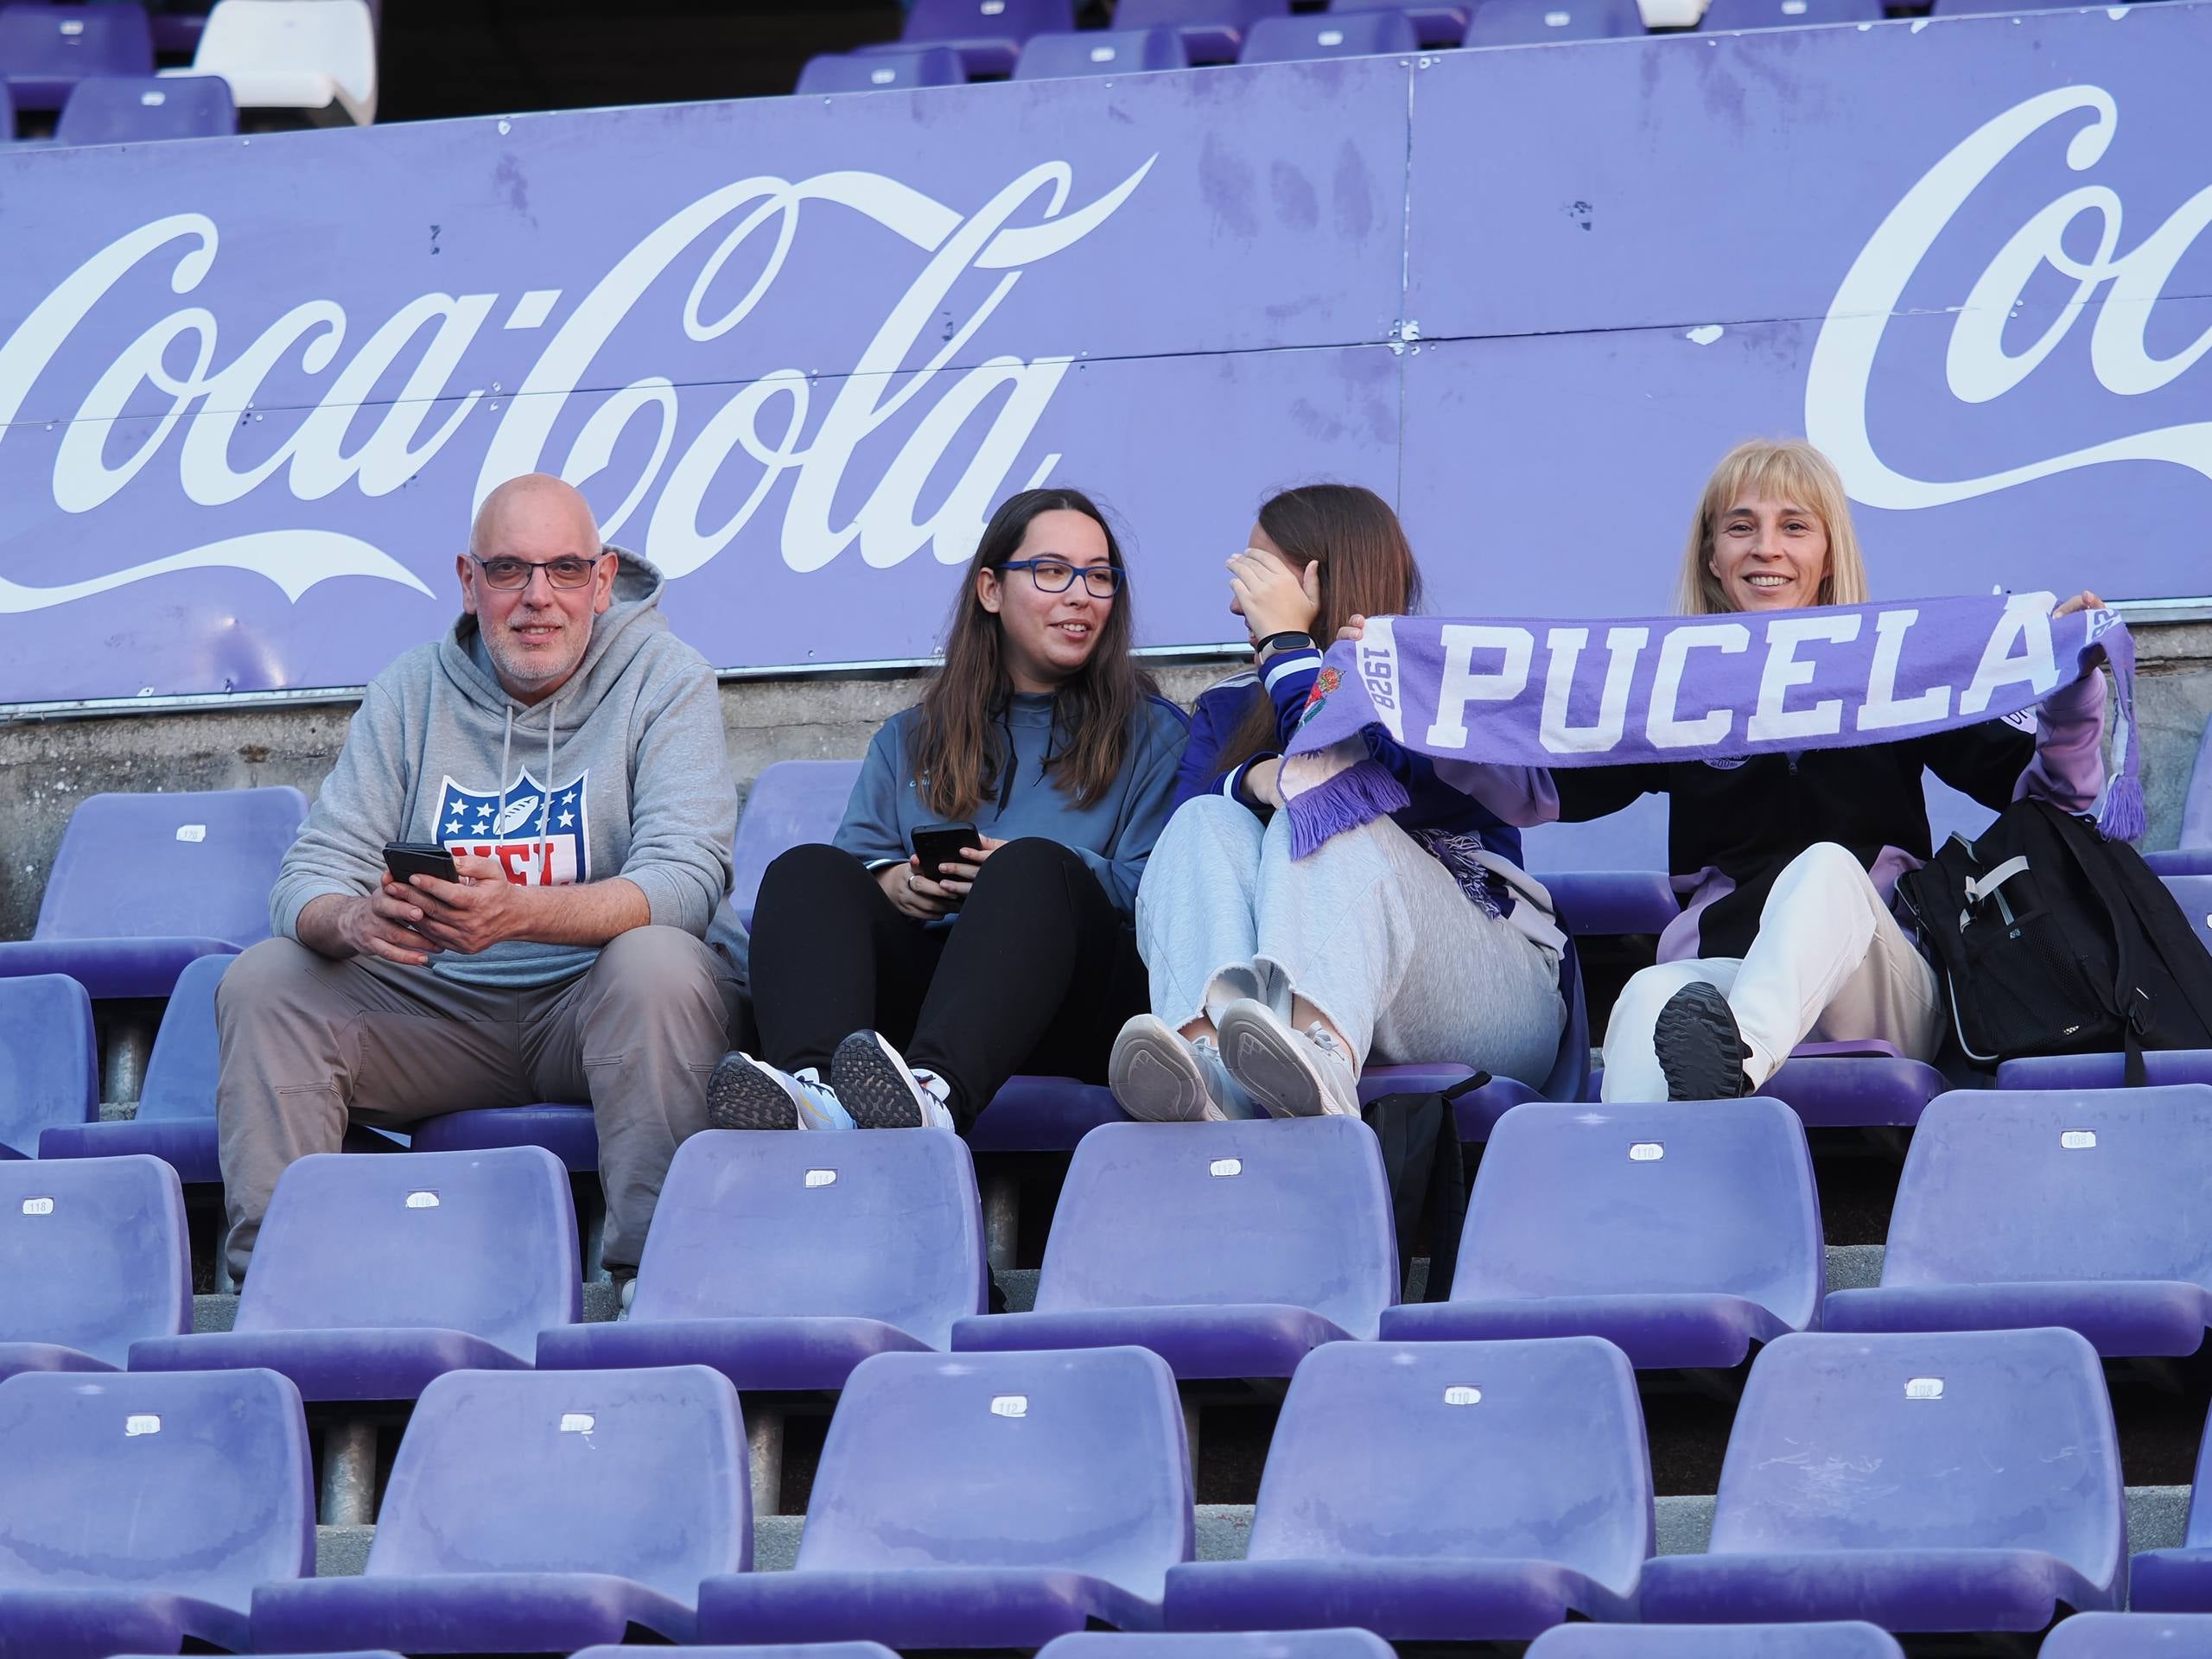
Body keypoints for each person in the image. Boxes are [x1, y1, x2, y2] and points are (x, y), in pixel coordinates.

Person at [215, 474, 742, 1284]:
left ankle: (661, 1282)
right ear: (469, 582)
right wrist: (354, 921)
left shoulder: (664, 677)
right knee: (267, 979)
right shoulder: (410, 689)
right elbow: (306, 879)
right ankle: (281, 1287)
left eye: (565, 569)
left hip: (594, 1006)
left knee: (660, 963)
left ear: (602, 582)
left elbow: (686, 880)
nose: (538, 597)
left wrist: (523, 912)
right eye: (509, 571)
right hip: (440, 1011)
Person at [1554, 438, 2107, 1102]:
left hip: (1880, 985)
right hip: (1726, 972)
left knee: (1824, 867)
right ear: (1711, 557)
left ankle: (1734, 1066)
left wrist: (2071, 692)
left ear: (1826, 557)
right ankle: (1640, 1188)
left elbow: (2050, 798)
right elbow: (1544, 787)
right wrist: (1429, 727)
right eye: (1740, 527)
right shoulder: (1677, 688)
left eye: (1793, 526)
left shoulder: (1896, 672)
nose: (1765, 547)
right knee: (1647, 992)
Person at [709, 487, 1189, 1132]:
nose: (1080, 595)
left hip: (1074, 1009)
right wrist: (898, 883)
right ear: (990, 590)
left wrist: (1026, 871)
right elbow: (850, 880)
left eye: (1099, 577)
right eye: (1052, 571)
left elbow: (1160, 897)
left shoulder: (1157, 736)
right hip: (927, 1002)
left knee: (1033, 871)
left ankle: (935, 1096)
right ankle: (814, 1095)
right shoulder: (911, 737)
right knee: (804, 872)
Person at [1109, 483, 1568, 1122]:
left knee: (1327, 812)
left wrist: (1291, 651)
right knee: (1204, 818)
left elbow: (1362, 783)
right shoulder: (1225, 708)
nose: (1236, 602)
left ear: (1320, 579)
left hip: (1491, 987)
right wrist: (1249, 780)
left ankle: (1318, 1052)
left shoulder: (1431, 682)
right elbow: (1179, 843)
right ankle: (1209, 1062)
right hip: (1274, 1017)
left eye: (1258, 575)